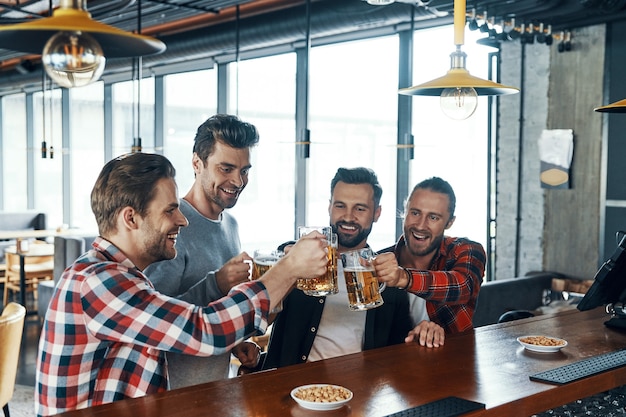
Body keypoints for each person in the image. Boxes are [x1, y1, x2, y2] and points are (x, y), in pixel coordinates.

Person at [36, 152, 329, 417]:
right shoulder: (98, 283)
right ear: (131, 218)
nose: (183, 220)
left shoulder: (116, 276)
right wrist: (288, 269)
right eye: (169, 210)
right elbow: (206, 330)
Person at [261, 168, 444, 371]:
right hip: (292, 387)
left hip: (361, 392)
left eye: (360, 209)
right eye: (340, 206)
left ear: (377, 213)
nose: (348, 217)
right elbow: (259, 322)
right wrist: (288, 272)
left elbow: (401, 346)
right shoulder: (293, 256)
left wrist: (424, 331)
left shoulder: (388, 277)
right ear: (329, 207)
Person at [144, 114, 261, 387]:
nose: (238, 181)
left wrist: (237, 342)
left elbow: (216, 313)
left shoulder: (231, 225)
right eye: (226, 168)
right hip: (171, 394)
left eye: (244, 170)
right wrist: (217, 283)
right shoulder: (172, 224)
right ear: (197, 163)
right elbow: (154, 319)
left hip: (215, 388)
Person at [374, 176, 487, 334]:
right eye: (415, 213)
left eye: (433, 217)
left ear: (449, 222)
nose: (420, 225)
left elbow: (462, 286)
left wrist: (402, 277)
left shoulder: (466, 251)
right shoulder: (380, 260)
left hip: (454, 356)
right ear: (405, 211)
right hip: (394, 356)